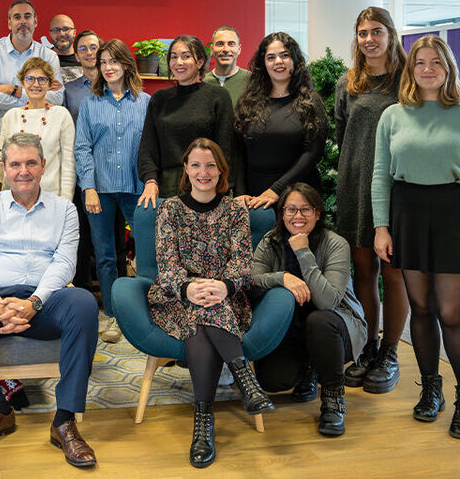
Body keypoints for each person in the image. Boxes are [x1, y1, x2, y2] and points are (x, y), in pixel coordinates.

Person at [0, 132, 98, 468]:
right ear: (4, 168)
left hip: (45, 301)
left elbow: (64, 263)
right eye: (15, 164)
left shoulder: (65, 210)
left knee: (84, 304)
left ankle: (64, 421)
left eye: (30, 163)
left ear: (43, 165)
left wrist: (33, 303)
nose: (23, 171)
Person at [147, 138, 273, 469]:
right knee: (201, 305)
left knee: (207, 307)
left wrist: (224, 286)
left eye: (210, 166)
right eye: (196, 165)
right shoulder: (170, 209)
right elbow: (166, 263)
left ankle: (203, 424)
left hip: (225, 296)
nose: (203, 172)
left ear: (221, 171)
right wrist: (188, 288)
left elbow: (242, 263)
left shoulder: (235, 211)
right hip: (177, 296)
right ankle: (246, 381)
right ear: (186, 170)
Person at [371, 35, 460, 439]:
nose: (427, 69)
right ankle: (430, 389)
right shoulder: (393, 115)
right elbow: (380, 175)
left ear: (448, 68)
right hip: (407, 211)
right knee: (421, 308)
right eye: (420, 62)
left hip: (453, 212)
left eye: (436, 62)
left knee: (452, 313)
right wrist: (381, 227)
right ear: (411, 69)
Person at [252, 183, 367, 437]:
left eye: (305, 209)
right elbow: (251, 279)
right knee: (272, 380)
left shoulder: (335, 244)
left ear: (317, 213)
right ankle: (308, 369)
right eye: (290, 209)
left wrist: (303, 251)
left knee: (319, 320)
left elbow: (327, 301)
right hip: (291, 329)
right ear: (282, 213)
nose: (298, 216)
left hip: (335, 327)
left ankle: (333, 398)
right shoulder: (270, 241)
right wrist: (282, 278)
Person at [335, 7, 408, 393]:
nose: (369, 39)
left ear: (390, 34)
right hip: (354, 186)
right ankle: (369, 347)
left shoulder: (408, 81)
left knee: (393, 272)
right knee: (363, 270)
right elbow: (342, 133)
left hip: (396, 189)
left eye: (376, 31)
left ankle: (391, 352)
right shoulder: (348, 83)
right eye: (362, 33)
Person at [74, 39, 149, 342]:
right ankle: (113, 315)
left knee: (147, 251)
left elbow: (150, 148)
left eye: (113, 61)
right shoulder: (90, 104)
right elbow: (82, 148)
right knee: (105, 255)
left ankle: (145, 311)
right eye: (103, 62)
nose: (107, 67)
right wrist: (89, 187)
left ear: (126, 64)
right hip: (100, 190)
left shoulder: (145, 102)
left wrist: (151, 183)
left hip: (137, 188)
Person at [234, 32, 328, 208]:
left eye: (285, 55)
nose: (278, 61)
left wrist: (276, 189)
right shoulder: (247, 102)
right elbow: (239, 152)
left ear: (295, 60)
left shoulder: (310, 101)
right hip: (254, 197)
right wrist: (240, 192)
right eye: (271, 57)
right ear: (263, 64)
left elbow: (313, 152)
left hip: (298, 195)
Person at [137, 35, 235, 204]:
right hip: (167, 187)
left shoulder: (218, 96)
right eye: (174, 57)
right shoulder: (159, 99)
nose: (179, 62)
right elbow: (148, 147)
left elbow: (226, 148)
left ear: (200, 62)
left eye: (186, 56)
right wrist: (150, 181)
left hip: (206, 184)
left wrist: (223, 188)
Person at [0, 0, 63, 135]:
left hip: (39, 134)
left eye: (27, 16)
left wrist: (14, 90)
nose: (23, 21)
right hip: (1, 134)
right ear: (9, 23)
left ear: (35, 21)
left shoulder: (49, 56)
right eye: (17, 17)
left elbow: (57, 98)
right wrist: (36, 98)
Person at [0, 58, 75, 200]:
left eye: (42, 79)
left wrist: (66, 201)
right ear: (22, 82)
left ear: (50, 84)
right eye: (30, 79)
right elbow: (3, 161)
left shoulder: (61, 115)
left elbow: (68, 163)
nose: (36, 84)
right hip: (16, 198)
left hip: (51, 197)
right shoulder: (11, 116)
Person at [203, 26, 250, 107]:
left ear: (239, 49)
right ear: (212, 49)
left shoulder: (251, 81)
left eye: (231, 44)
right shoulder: (202, 83)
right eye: (220, 44)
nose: (226, 49)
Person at [62, 30, 100, 125]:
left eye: (93, 48)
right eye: (83, 49)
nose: (89, 52)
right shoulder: (67, 91)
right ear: (77, 57)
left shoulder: (115, 86)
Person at [48, 13, 82, 82]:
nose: (61, 34)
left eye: (66, 29)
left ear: (74, 33)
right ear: (50, 34)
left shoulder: (85, 59)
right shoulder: (42, 60)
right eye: (56, 30)